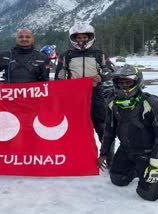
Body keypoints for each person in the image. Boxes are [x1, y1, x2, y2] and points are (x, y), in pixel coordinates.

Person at [98, 64, 158, 201]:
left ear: (137, 82)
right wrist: (103, 152)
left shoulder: (152, 104)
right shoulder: (113, 103)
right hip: (126, 149)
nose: (124, 87)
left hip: (147, 152)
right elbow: (109, 130)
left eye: (128, 82)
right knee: (117, 179)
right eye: (120, 83)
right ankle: (140, 170)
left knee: (149, 193)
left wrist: (155, 163)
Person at [55, 22, 115, 165]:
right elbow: (59, 76)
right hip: (74, 96)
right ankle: (76, 155)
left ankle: (108, 156)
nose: (81, 40)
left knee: (102, 125)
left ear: (90, 37)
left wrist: (101, 77)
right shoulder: (66, 55)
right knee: (74, 126)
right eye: (78, 37)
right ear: (73, 39)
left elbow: (110, 70)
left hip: (95, 93)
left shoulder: (99, 54)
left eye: (84, 37)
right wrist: (64, 86)